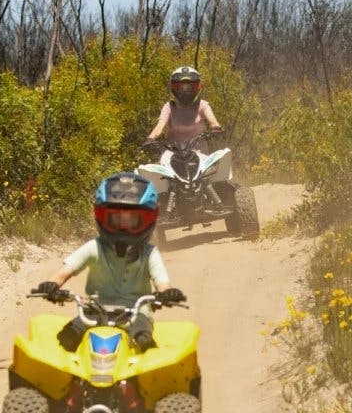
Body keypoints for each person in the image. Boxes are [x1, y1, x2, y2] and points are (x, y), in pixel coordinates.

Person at [31, 172, 183, 353]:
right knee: (67, 337)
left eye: (132, 220)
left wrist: (167, 293)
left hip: (136, 314)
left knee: (144, 340)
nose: (123, 227)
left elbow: (162, 283)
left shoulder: (149, 254)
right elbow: (66, 271)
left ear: (148, 220)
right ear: (102, 217)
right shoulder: (94, 247)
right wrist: (52, 285)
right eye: (116, 219)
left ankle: (145, 379)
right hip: (95, 311)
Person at [143, 65, 226, 211]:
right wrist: (150, 139)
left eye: (189, 87)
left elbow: (213, 121)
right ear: (174, 88)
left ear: (197, 87)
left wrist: (215, 128)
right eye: (181, 87)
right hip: (172, 154)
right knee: (160, 181)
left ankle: (217, 201)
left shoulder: (202, 105)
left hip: (199, 152)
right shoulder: (169, 107)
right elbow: (159, 126)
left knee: (219, 173)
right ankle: (164, 208)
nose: (185, 91)